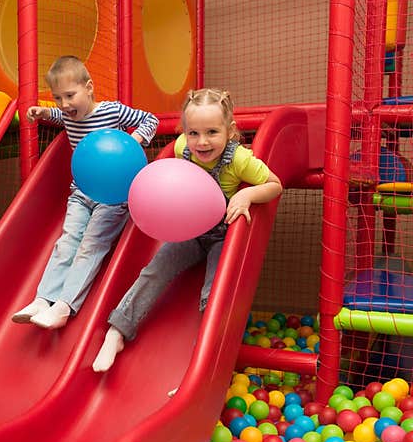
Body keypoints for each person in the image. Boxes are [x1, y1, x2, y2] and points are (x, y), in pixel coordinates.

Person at [92, 88, 283, 373]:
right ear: (185, 131)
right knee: (155, 269)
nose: (201, 142)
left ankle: (207, 355)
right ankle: (117, 331)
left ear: (229, 131)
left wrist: (247, 195)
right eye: (193, 133)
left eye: (211, 132)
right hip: (190, 232)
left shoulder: (239, 159)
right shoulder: (182, 148)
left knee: (213, 290)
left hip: (222, 233)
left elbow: (275, 184)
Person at [11, 55, 159, 329]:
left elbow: (150, 119)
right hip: (80, 192)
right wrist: (45, 113)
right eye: (57, 98)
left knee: (90, 245)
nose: (65, 104)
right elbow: (62, 117)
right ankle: (44, 299)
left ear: (88, 87)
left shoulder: (112, 111)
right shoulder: (68, 115)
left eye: (70, 95)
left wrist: (133, 140)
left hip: (113, 197)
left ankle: (65, 306)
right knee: (66, 243)